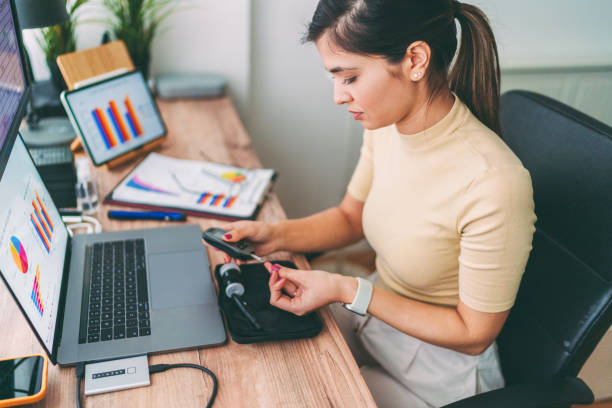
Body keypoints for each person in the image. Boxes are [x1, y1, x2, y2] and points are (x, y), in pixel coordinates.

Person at [217, 0, 536, 406]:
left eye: (349, 77)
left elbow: (473, 334)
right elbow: (351, 218)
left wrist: (347, 289)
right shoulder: (386, 125)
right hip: (379, 328)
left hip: (439, 376)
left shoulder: (494, 183)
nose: (338, 96)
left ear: (415, 60)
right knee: (262, 364)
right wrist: (274, 235)